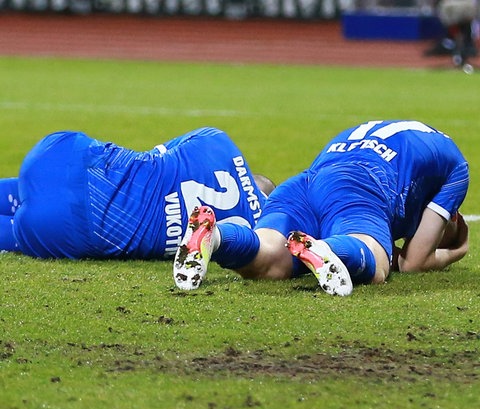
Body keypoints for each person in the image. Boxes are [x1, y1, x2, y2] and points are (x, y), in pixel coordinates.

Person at [173, 120, 469, 296]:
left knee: (270, 259)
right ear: (451, 216)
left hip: (303, 183)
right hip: (361, 186)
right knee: (375, 262)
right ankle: (330, 249)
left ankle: (217, 237)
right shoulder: (457, 168)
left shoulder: (392, 134)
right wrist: (455, 251)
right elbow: (414, 262)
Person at [0, 127, 275, 259]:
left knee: (29, 187)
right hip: (65, 228)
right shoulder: (251, 235)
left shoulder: (216, 141)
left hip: (56, 156)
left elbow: (155, 155)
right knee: (18, 228)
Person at [424, 0, 478, 66]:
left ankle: (461, 48)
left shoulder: (447, 7)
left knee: (462, 36)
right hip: (465, 7)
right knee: (463, 37)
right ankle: (463, 47)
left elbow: (452, 25)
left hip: (457, 9)